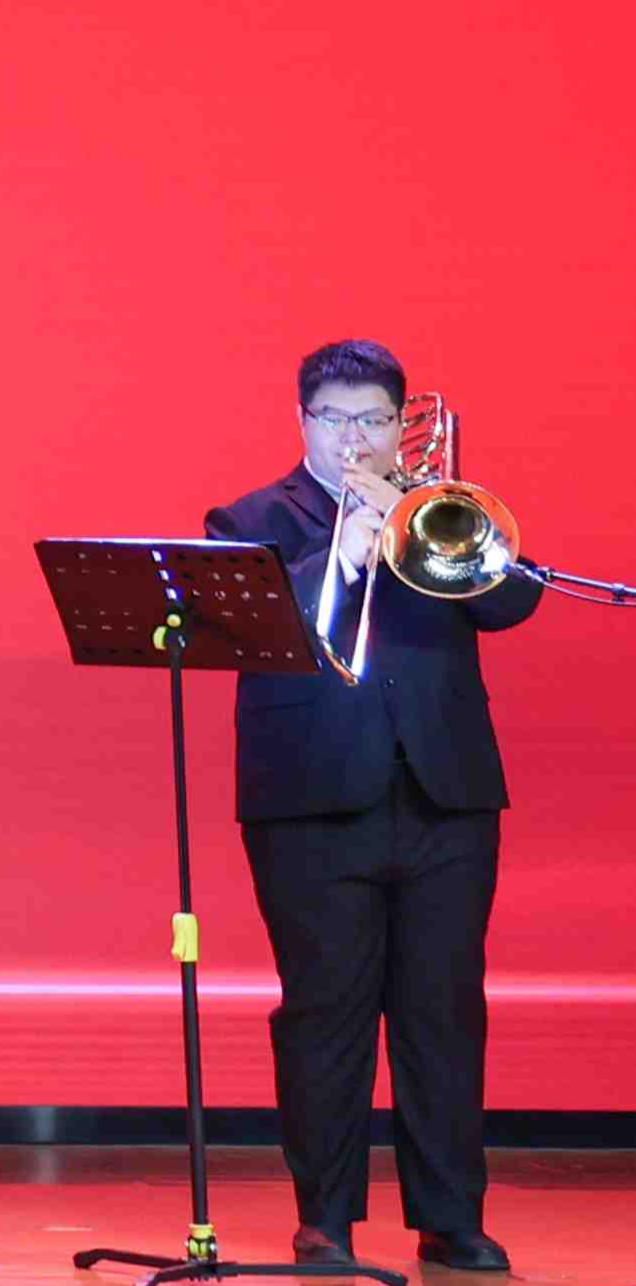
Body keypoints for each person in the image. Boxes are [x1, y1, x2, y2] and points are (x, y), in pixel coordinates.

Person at [211, 339, 537, 1274]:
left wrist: (411, 514)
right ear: (302, 422)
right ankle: (324, 1218)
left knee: (444, 1012)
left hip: (445, 795)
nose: (354, 436)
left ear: (402, 424)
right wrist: (343, 552)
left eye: (374, 419)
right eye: (335, 419)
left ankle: (451, 1217)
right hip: (310, 802)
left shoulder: (435, 505)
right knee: (325, 1013)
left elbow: (510, 604)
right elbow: (248, 627)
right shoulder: (250, 519)